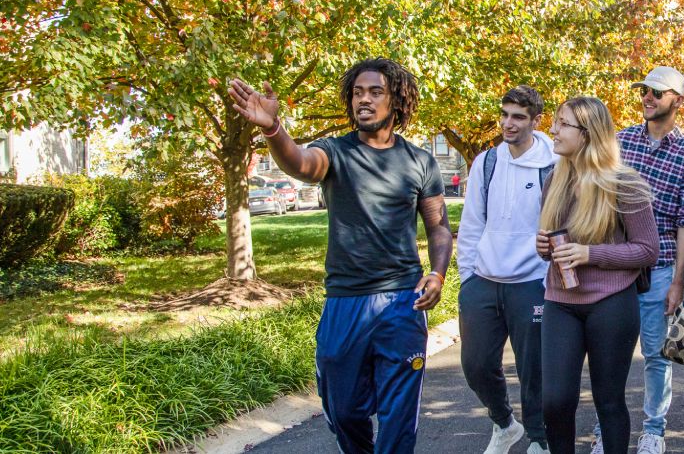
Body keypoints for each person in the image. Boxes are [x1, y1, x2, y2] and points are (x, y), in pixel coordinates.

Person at [227, 58, 454, 454]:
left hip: (402, 300)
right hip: (345, 301)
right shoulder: (335, 152)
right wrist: (273, 129)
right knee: (344, 410)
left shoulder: (420, 161)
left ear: (396, 101)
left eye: (375, 92)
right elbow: (300, 163)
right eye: (357, 92)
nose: (363, 100)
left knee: (399, 418)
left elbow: (437, 226)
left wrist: (437, 274)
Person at [535, 96, 661, 454]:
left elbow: (647, 250)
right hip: (560, 302)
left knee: (609, 402)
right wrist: (544, 247)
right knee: (555, 401)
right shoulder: (553, 180)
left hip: (611, 303)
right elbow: (550, 243)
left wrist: (590, 253)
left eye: (562, 124)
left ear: (587, 133)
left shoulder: (625, 183)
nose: (553, 130)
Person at [598, 66, 684, 454]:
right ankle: (606, 431)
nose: (648, 97)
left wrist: (678, 281)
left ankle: (653, 429)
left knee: (656, 355)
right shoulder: (619, 142)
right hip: (613, 268)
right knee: (609, 354)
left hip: (658, 272)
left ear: (678, 101)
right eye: (644, 90)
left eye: (658, 92)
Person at [456, 85, 557, 454]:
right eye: (504, 115)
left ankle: (539, 438)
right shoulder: (487, 162)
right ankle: (503, 423)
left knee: (535, 370)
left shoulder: (553, 164)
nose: (508, 124)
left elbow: (560, 226)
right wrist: (468, 278)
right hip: (483, 280)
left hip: (532, 282)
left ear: (536, 120)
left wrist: (548, 280)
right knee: (476, 364)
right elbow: (470, 224)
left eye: (517, 116)